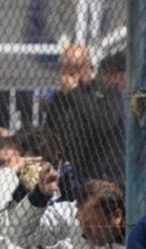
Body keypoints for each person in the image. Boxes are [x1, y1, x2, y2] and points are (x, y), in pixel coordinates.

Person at [42, 44, 126, 185]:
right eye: (67, 67)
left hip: (105, 173)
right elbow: (51, 132)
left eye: (77, 67)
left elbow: (102, 123)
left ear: (89, 67)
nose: (71, 73)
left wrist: (75, 92)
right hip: (73, 172)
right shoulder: (59, 98)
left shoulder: (108, 91)